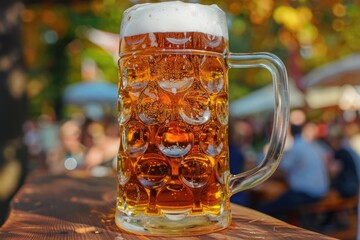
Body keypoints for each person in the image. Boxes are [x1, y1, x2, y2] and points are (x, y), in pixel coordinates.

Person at [258, 123, 330, 216]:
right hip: (320, 190)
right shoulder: (308, 145)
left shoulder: (297, 147)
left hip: (307, 192)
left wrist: (263, 174)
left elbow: (282, 169)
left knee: (265, 209)